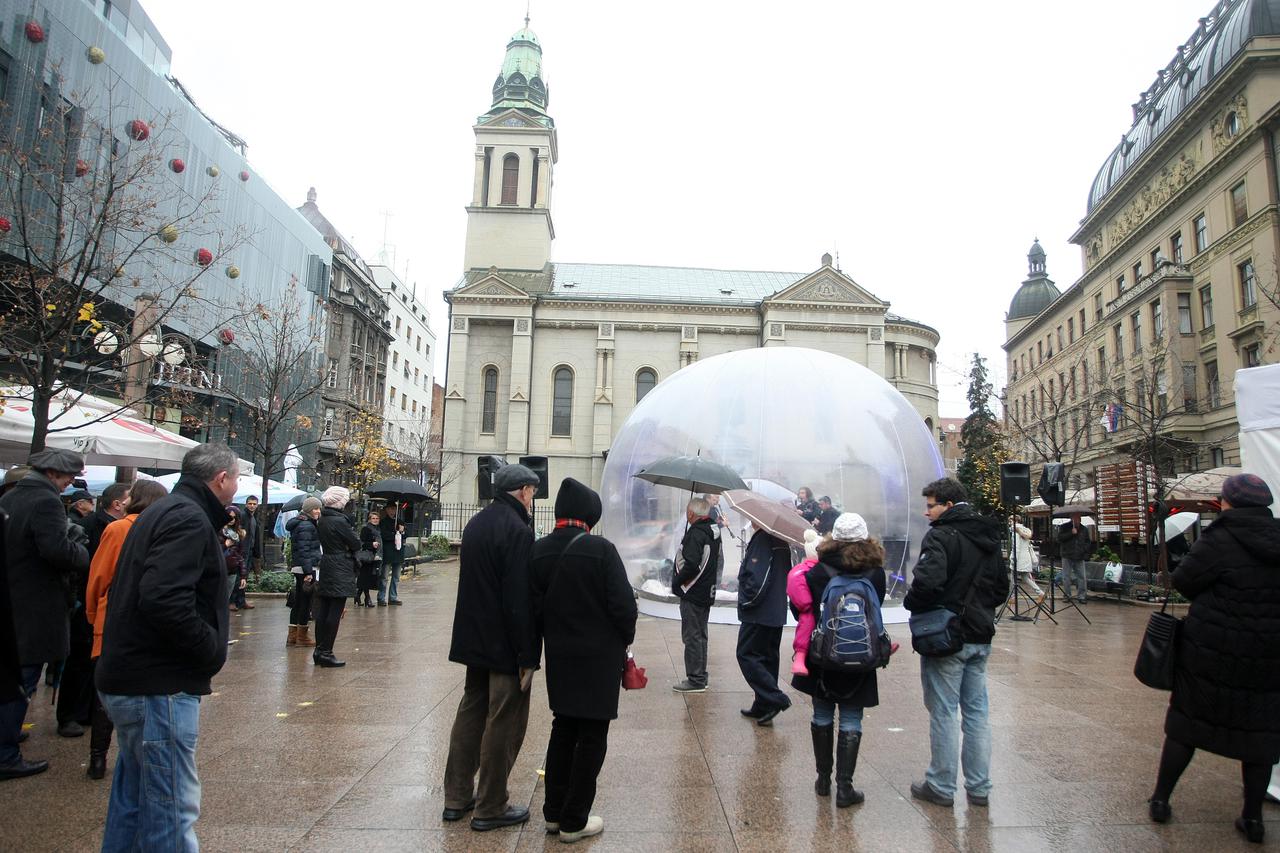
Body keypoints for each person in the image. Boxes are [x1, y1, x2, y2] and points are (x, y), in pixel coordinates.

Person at [96, 443, 237, 849]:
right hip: (158, 684)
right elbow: (162, 597)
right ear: (221, 479)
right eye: (236, 478)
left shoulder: (164, 511)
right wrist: (207, 648)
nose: (236, 485)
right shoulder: (187, 517)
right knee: (171, 807)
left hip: (135, 677)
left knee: (135, 801)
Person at [1146, 473, 1280, 845]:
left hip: (1212, 649)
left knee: (1186, 725)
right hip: (1268, 654)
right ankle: (1252, 818)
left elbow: (1184, 581)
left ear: (1228, 502)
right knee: (1260, 736)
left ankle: (1161, 800)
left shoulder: (1219, 537)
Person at [530, 478, 637, 843]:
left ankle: (553, 813)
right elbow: (624, 607)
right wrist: (624, 640)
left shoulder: (539, 551)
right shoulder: (601, 550)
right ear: (590, 514)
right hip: (598, 660)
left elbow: (533, 608)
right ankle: (574, 819)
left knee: (562, 728)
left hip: (560, 656)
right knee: (592, 735)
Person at [442, 463, 540, 831]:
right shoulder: (517, 530)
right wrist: (527, 653)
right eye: (532, 492)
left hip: (474, 640)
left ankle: (456, 797)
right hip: (505, 646)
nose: (532, 500)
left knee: (470, 713)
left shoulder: (476, 523)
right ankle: (491, 805)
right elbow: (518, 598)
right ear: (524, 491)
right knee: (504, 721)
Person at [905, 477, 1009, 809]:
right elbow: (1001, 588)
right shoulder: (987, 534)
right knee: (977, 713)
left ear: (948, 505)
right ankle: (979, 787)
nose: (927, 513)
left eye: (931, 506)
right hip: (980, 634)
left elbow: (927, 583)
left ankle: (941, 785)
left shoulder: (941, 535)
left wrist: (912, 603)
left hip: (948, 637)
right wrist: (978, 609)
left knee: (944, 712)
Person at [0, 449, 90, 780]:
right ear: (53, 473)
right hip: (34, 603)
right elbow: (56, 550)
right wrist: (81, 551)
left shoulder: (11, 498)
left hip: (13, 598)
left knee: (12, 676)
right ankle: (5, 753)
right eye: (68, 477)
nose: (70, 483)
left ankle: (7, 735)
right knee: (22, 679)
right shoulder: (45, 501)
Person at [790, 513, 885, 807]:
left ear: (834, 537)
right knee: (852, 717)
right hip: (859, 654)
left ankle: (822, 780)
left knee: (821, 714)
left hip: (823, 655)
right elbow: (875, 610)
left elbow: (801, 610)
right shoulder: (875, 572)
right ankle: (845, 788)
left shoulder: (819, 570)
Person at [83, 480, 167, 780]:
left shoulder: (118, 529)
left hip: (113, 618)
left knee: (106, 691)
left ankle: (98, 757)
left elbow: (99, 578)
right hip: (149, 624)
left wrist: (93, 615)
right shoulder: (165, 531)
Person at [736, 523, 793, 726]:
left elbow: (757, 578)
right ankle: (763, 704)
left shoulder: (762, 539)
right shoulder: (780, 540)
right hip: (775, 610)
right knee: (768, 657)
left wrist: (746, 600)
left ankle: (774, 698)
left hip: (759, 611)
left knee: (746, 654)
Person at [671, 497, 721, 693]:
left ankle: (696, 679)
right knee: (700, 634)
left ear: (691, 513)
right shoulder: (712, 530)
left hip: (693, 591)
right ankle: (701, 675)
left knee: (692, 636)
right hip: (705, 590)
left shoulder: (696, 533)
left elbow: (691, 564)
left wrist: (677, 582)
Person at [313, 487, 359, 667]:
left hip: (327, 564)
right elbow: (355, 543)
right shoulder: (339, 521)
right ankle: (326, 652)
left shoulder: (323, 518)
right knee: (335, 611)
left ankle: (319, 650)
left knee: (324, 610)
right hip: (340, 566)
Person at [285, 498, 322, 647]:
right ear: (308, 510)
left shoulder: (302, 523)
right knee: (305, 602)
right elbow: (304, 550)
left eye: (319, 508)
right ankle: (301, 636)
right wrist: (308, 572)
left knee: (299, 601)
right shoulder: (307, 525)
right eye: (315, 508)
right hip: (306, 567)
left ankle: (293, 635)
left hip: (300, 566)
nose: (318, 511)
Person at [786, 529, 822, 676]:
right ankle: (800, 657)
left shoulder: (799, 570)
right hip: (814, 611)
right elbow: (803, 601)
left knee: (806, 620)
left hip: (811, 610)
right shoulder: (809, 571)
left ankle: (800, 657)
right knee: (807, 620)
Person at [1057, 514, 1092, 603]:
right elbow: (1060, 538)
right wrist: (1071, 533)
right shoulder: (1064, 527)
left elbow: (1087, 541)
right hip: (1067, 555)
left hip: (1079, 556)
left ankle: (1082, 596)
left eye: (1078, 519)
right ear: (1071, 519)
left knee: (1082, 576)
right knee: (1066, 577)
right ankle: (1067, 595)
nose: (1076, 520)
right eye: (1075, 518)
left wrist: (1083, 550)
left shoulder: (1084, 529)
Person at [223, 506, 249, 612]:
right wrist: (225, 545)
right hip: (219, 568)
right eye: (229, 517)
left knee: (226, 597)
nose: (231, 520)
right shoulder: (219, 531)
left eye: (234, 517)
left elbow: (240, 556)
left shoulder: (238, 534)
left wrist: (243, 576)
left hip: (232, 569)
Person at [378, 504, 405, 606]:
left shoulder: (400, 522)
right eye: (390, 509)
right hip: (388, 552)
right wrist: (395, 533)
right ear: (386, 510)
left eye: (394, 509)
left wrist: (401, 531)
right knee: (384, 577)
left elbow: (405, 535)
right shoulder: (383, 522)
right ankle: (381, 597)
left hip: (398, 552)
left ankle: (393, 597)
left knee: (396, 577)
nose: (392, 511)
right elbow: (384, 535)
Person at [1010, 523, 1044, 603]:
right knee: (1025, 578)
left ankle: (1012, 597)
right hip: (1026, 558)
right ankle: (1040, 593)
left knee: (1013, 578)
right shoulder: (1026, 531)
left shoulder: (1016, 533)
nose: (1009, 523)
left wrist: (1013, 559)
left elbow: (1016, 548)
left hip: (1019, 559)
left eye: (1010, 521)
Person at [356, 508, 382, 608]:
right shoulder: (366, 529)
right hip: (366, 557)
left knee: (367, 578)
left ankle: (357, 596)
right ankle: (367, 599)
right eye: (373, 518)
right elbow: (362, 543)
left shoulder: (378, 530)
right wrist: (372, 544)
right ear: (369, 519)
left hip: (375, 556)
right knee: (365, 577)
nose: (375, 520)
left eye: (377, 518)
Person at [240, 495, 262, 586]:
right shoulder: (243, 516)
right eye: (250, 503)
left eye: (254, 504)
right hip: (243, 550)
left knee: (245, 575)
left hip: (250, 550)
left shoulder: (254, 518)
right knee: (241, 576)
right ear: (246, 504)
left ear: (257, 505)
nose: (252, 506)